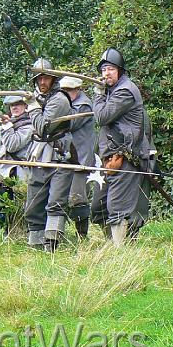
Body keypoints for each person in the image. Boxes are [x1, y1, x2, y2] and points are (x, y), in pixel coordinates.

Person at [91, 48, 151, 247]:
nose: (105, 73)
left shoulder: (125, 91)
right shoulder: (113, 91)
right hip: (110, 158)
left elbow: (101, 117)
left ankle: (120, 253)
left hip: (125, 157)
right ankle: (114, 245)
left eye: (110, 69)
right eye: (103, 70)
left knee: (117, 206)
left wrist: (98, 95)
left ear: (120, 70)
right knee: (98, 206)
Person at [23, 58, 74, 252]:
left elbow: (43, 126)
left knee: (55, 203)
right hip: (39, 155)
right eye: (39, 79)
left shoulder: (60, 99)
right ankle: (34, 245)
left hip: (59, 155)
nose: (42, 82)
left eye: (46, 78)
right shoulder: (39, 98)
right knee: (33, 203)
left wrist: (33, 107)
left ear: (53, 80)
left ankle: (51, 245)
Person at [0, 94, 33, 241]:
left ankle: (13, 237)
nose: (15, 107)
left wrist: (6, 127)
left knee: (16, 207)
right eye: (12, 105)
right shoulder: (12, 123)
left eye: (18, 104)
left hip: (19, 172)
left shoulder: (30, 126)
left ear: (26, 106)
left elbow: (13, 145)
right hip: (4, 172)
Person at [59, 76, 96, 238]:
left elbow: (69, 124)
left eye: (69, 90)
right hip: (66, 157)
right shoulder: (70, 104)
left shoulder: (84, 106)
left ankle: (82, 236)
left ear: (78, 90)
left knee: (77, 197)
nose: (66, 93)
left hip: (81, 160)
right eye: (63, 90)